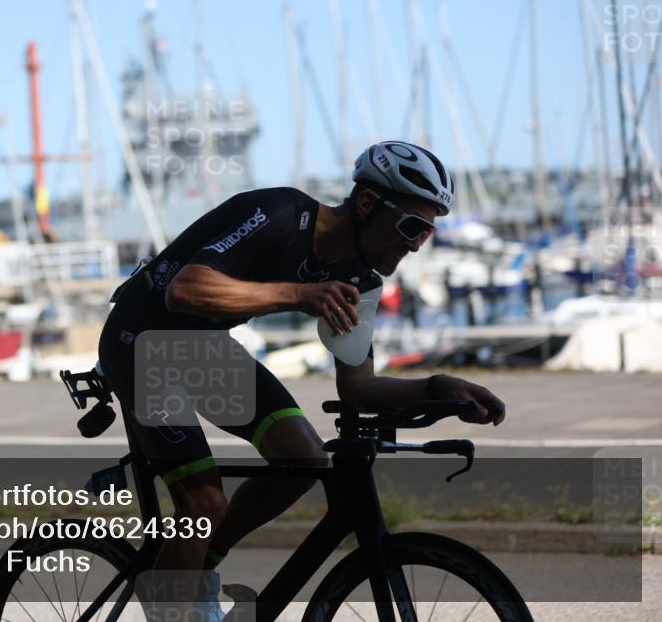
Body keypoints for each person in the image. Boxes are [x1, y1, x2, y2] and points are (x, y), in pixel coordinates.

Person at [97, 141, 506, 620]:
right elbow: (184, 290)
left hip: (200, 348)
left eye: (428, 232)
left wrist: (436, 388)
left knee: (305, 459)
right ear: (367, 203)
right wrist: (299, 294)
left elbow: (358, 386)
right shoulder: (280, 215)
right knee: (203, 504)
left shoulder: (362, 279)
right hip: (139, 344)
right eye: (412, 227)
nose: (416, 244)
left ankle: (194, 572)